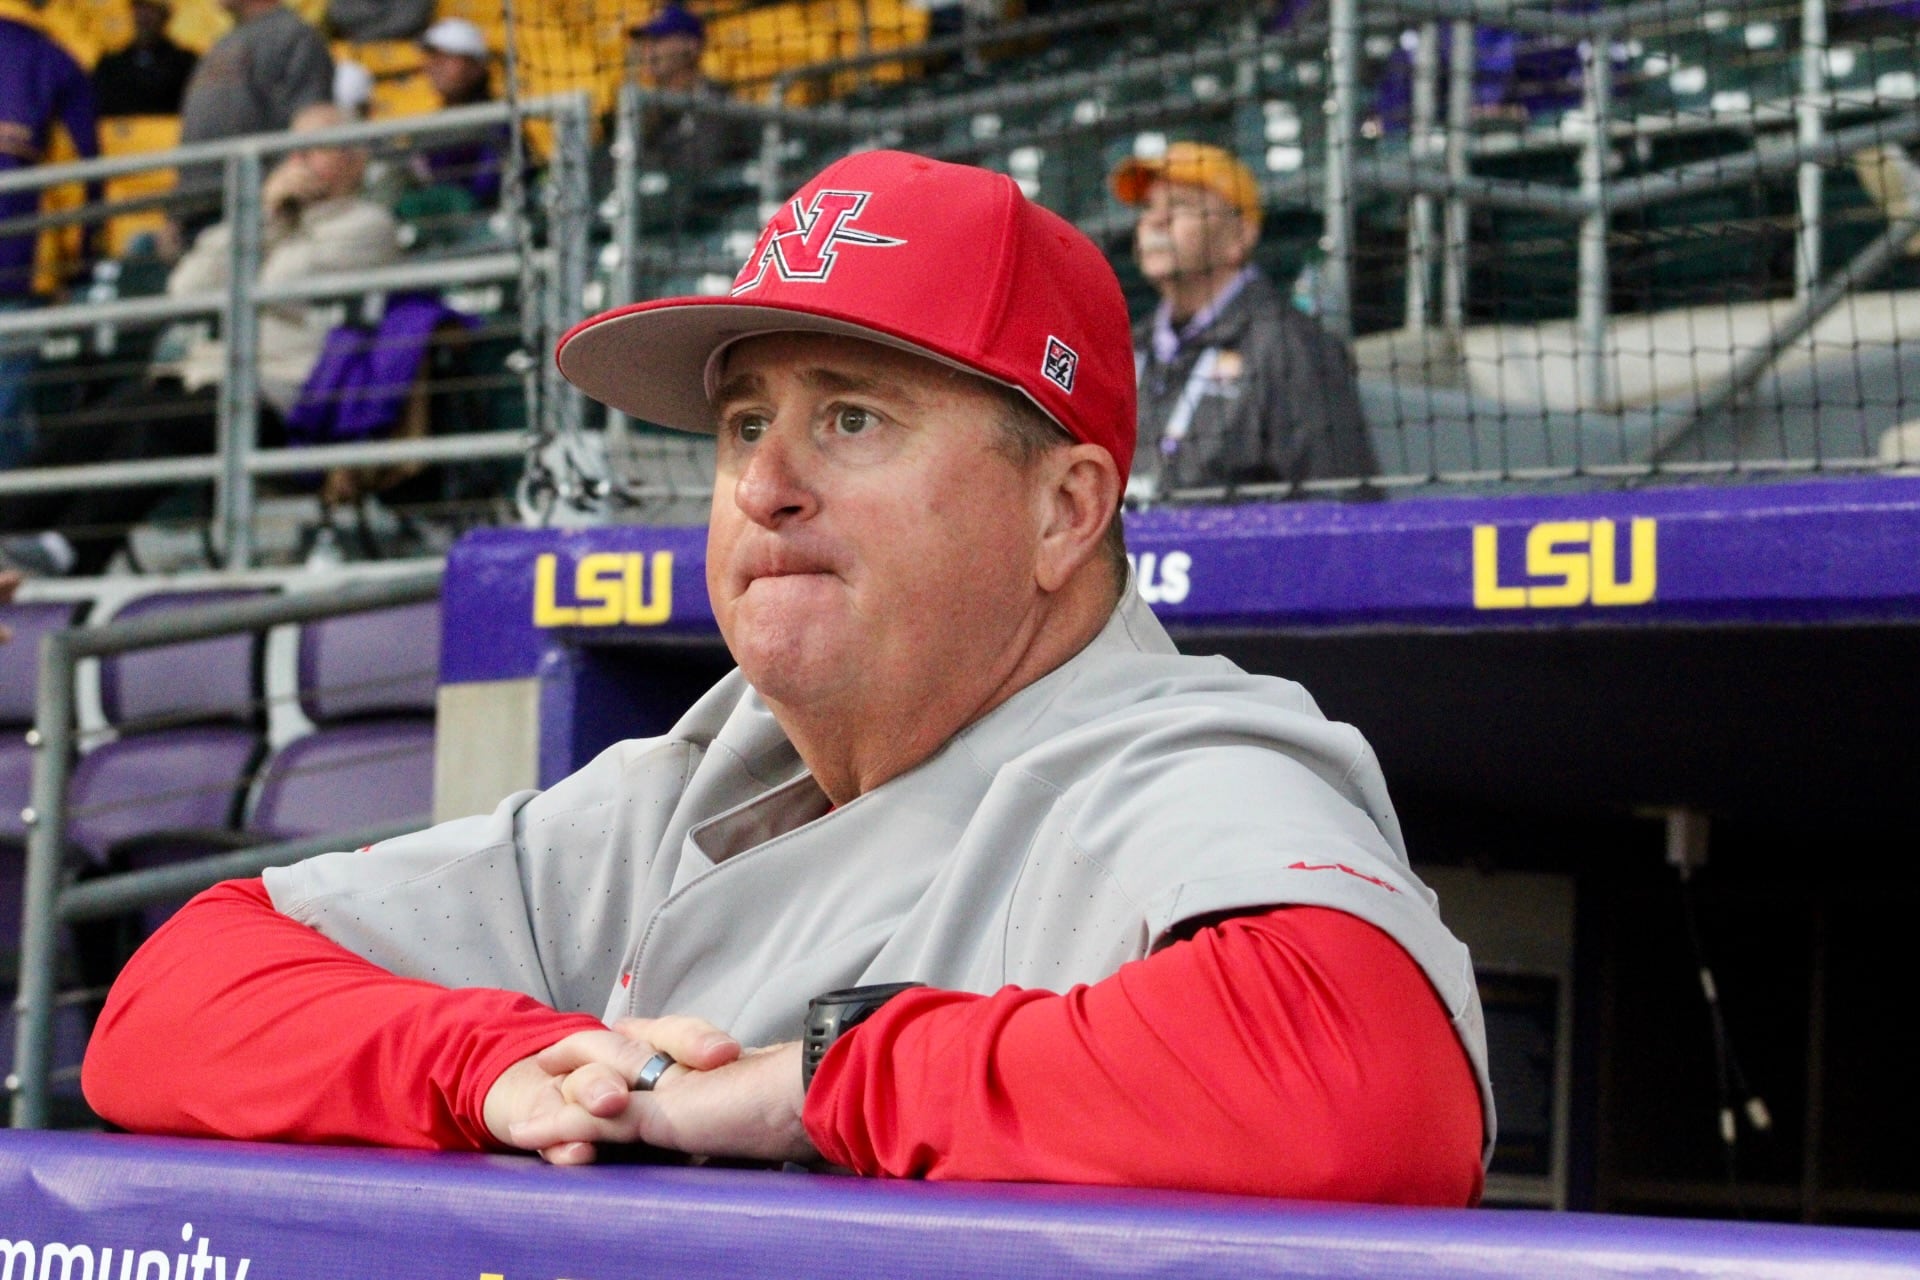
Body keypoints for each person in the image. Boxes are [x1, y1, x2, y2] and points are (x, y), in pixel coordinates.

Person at [82, 150, 1490, 1203]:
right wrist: (491, 1064)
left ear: (1065, 510)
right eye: (745, 419)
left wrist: (800, 1088)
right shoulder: (687, 784)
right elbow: (170, 999)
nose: (764, 483)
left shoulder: (1175, 756)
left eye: (854, 417)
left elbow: (1364, 1087)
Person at [0, 103, 396, 576]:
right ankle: (11, 531)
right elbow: (188, 289)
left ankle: (73, 551)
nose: (298, 162)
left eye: (315, 149)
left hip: (285, 395)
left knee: (163, 425)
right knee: (101, 418)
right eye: (292, 150)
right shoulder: (271, 213)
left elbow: (276, 285)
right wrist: (265, 212)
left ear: (355, 160)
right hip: (210, 375)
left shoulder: (367, 225)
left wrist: (269, 216)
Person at [1113, 142, 1376, 501]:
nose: (1155, 221)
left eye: (1181, 206)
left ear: (1240, 236)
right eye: (1148, 207)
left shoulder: (1290, 345)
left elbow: (1341, 507)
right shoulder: (1126, 348)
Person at [0, 5, 100, 468]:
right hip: (20, 266)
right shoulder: (50, 58)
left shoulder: (50, 58)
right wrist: (77, 262)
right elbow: (82, 178)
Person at [174, 0, 332, 236]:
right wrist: (176, 213)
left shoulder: (293, 35)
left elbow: (309, 121)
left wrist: (279, 194)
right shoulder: (223, 41)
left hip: (256, 207)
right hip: (201, 206)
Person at [629, 4, 752, 176]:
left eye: (657, 40)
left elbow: (706, 168)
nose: (647, 50)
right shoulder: (642, 112)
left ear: (691, 46)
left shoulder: (721, 107)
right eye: (645, 42)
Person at [407, 17, 503, 209]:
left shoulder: (496, 121)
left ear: (475, 66)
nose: (435, 65)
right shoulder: (432, 125)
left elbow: (485, 192)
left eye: (447, 58)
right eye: (433, 57)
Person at [90, 0, 197, 118]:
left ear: (164, 15)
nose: (144, 17)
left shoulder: (185, 63)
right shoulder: (110, 65)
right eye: (140, 8)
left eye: (151, 10)